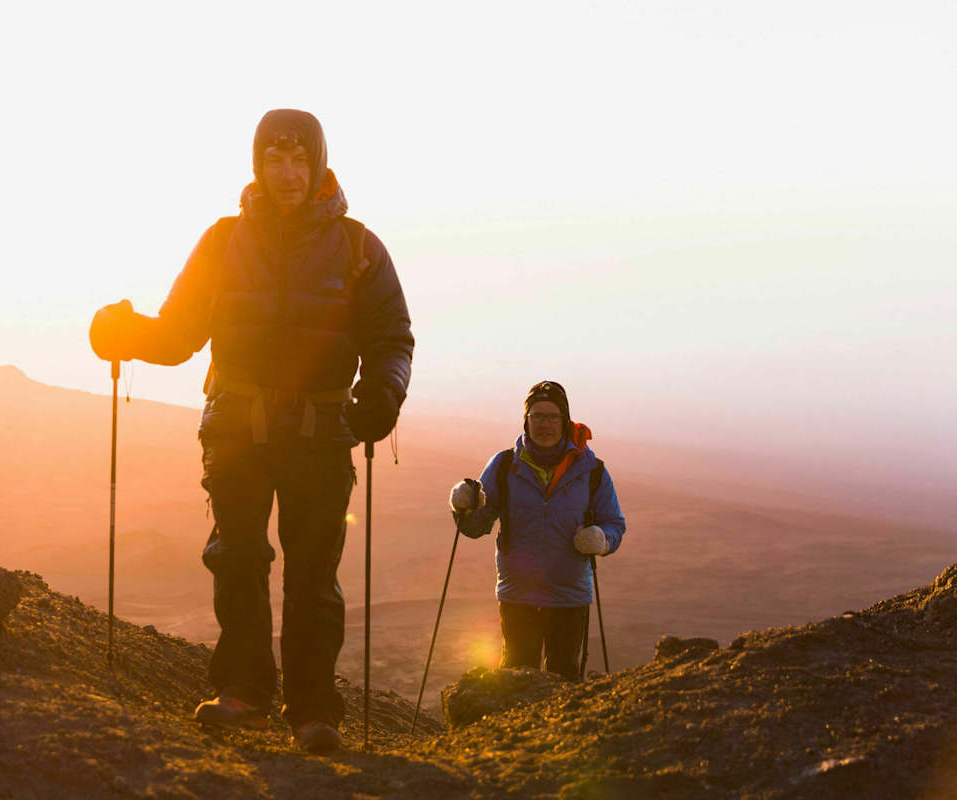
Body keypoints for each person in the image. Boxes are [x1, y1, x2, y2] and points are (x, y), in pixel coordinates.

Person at [88, 109, 413, 754]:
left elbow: (391, 339)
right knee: (237, 559)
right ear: (257, 167)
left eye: (298, 160)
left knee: (312, 574)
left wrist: (383, 394)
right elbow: (180, 334)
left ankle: (313, 709)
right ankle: (243, 692)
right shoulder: (222, 241)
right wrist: (126, 333)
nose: (287, 174)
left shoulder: (358, 247)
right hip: (235, 428)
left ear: (317, 163)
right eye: (273, 160)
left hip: (322, 432)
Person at [448, 380, 624, 679]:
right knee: (517, 676)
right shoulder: (504, 465)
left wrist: (600, 540)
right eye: (537, 416)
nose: (545, 424)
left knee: (564, 677)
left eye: (552, 417)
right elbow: (476, 527)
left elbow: (614, 526)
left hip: (569, 597)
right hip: (518, 595)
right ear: (526, 421)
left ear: (565, 421)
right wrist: (462, 506)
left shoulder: (592, 471)